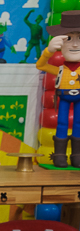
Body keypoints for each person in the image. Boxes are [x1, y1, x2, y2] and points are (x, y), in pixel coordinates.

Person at [35, 11, 80, 167]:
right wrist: (48, 51)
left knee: (79, 123)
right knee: (61, 123)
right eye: (69, 38)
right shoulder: (61, 69)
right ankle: (59, 155)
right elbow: (40, 65)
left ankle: (77, 155)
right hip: (64, 98)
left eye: (79, 38)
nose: (74, 44)